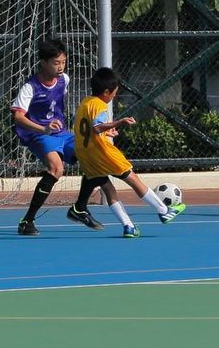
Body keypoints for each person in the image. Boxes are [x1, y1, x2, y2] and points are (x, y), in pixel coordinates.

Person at [11, 39, 114, 235]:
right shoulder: (30, 87)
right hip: (38, 134)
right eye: (56, 63)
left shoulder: (64, 79)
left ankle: (79, 209)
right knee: (56, 168)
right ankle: (27, 221)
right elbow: (18, 117)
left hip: (61, 134)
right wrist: (43, 129)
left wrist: (100, 129)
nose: (61, 67)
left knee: (93, 157)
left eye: (63, 62)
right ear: (43, 63)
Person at [69, 67, 186, 238]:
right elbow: (96, 127)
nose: (114, 96)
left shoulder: (85, 102)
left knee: (108, 188)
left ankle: (128, 226)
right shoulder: (100, 105)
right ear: (106, 92)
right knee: (132, 178)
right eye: (114, 93)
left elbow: (85, 128)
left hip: (85, 153)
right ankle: (163, 210)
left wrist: (106, 132)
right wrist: (120, 122)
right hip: (102, 152)